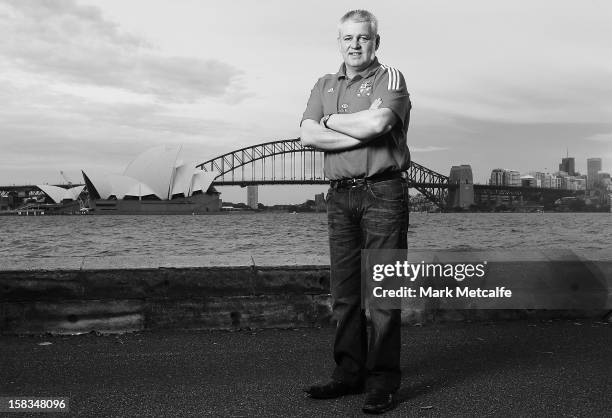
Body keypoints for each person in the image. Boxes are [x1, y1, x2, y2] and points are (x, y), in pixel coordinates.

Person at [300, 9, 411, 415]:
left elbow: (379, 123)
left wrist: (330, 122)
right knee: (345, 294)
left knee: (383, 294)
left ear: (376, 42)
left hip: (382, 192)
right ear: (339, 41)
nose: (355, 45)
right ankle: (349, 373)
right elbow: (306, 134)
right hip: (340, 197)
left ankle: (382, 381)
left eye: (363, 38)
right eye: (348, 38)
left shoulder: (390, 79)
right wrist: (350, 126)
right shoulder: (324, 83)